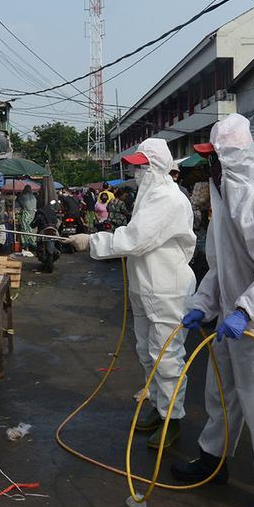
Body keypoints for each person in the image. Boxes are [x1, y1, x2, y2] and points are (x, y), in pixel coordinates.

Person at [171, 114, 254, 507]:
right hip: (230, 324)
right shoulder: (225, 208)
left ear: (235, 160)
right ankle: (213, 461)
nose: (210, 168)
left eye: (215, 159)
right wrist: (203, 304)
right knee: (221, 399)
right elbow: (219, 269)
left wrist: (246, 311)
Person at [68, 138, 196, 450]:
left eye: (141, 165)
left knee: (166, 357)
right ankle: (158, 407)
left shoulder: (168, 198)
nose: (136, 170)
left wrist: (93, 242)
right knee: (146, 352)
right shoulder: (149, 195)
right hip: (145, 286)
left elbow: (136, 239)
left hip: (167, 289)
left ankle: (172, 419)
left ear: (155, 166)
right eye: (135, 165)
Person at [17, 185, 38, 250]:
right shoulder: (34, 197)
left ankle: (26, 246)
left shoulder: (22, 196)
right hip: (33, 215)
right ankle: (33, 244)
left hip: (26, 215)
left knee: (25, 230)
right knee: (32, 230)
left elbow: (20, 203)